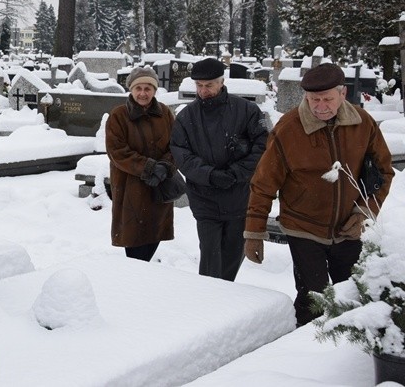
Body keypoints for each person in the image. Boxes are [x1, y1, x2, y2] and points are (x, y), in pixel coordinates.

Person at [244, 63, 394, 326]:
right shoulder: (289, 128)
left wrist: (364, 213)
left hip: (350, 228)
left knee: (351, 297)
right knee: (313, 298)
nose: (320, 106)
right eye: (314, 99)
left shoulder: (362, 122)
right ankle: (306, 352)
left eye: (327, 99)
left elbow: (383, 173)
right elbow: (263, 183)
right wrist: (254, 233)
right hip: (303, 227)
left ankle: (343, 355)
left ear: (343, 94)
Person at [170, 57, 268, 281]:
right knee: (210, 258)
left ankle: (225, 298)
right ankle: (208, 302)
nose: (204, 91)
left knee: (232, 256)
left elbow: (262, 146)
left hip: (239, 196)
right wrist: (210, 175)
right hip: (205, 198)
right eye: (199, 86)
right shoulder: (187, 117)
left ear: (222, 82)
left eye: (209, 85)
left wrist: (236, 173)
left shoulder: (247, 110)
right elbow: (180, 152)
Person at [106, 66, 177, 262]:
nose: (143, 93)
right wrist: (148, 167)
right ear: (131, 90)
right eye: (138, 88)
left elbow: (177, 145)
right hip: (131, 188)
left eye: (148, 88)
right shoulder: (119, 115)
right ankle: (135, 285)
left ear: (155, 90)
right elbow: (117, 151)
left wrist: (165, 166)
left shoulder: (165, 113)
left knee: (154, 235)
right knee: (134, 245)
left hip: (159, 187)